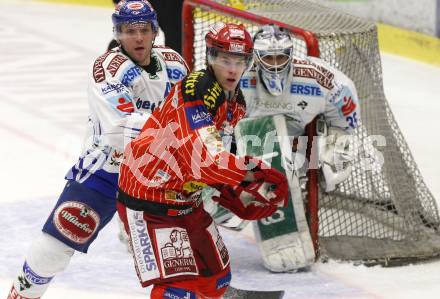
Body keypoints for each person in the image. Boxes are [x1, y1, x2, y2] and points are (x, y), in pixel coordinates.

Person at [7, 1, 188, 298]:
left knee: (178, 249)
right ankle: (21, 295)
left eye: (144, 30)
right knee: (56, 244)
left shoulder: (175, 64)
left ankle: (204, 290)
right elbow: (127, 128)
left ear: (155, 31)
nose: (138, 38)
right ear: (117, 34)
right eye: (130, 31)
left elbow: (187, 114)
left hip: (157, 173)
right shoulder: (107, 69)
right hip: (107, 170)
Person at [116, 22, 289, 298]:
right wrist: (254, 173)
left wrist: (231, 189)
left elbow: (216, 158)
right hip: (150, 198)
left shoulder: (236, 101)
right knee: (177, 288)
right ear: (211, 57)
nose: (232, 69)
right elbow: (205, 162)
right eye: (225, 60)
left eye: (239, 61)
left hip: (185, 198)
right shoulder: (199, 90)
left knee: (216, 278)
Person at [210, 24, 361, 272]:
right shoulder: (233, 75)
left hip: (295, 152)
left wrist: (335, 144)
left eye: (281, 56)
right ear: (254, 58)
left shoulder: (316, 77)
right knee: (209, 197)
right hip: (238, 147)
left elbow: (344, 106)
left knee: (322, 164)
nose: (275, 64)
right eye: (268, 57)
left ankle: (279, 220)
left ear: (292, 54)